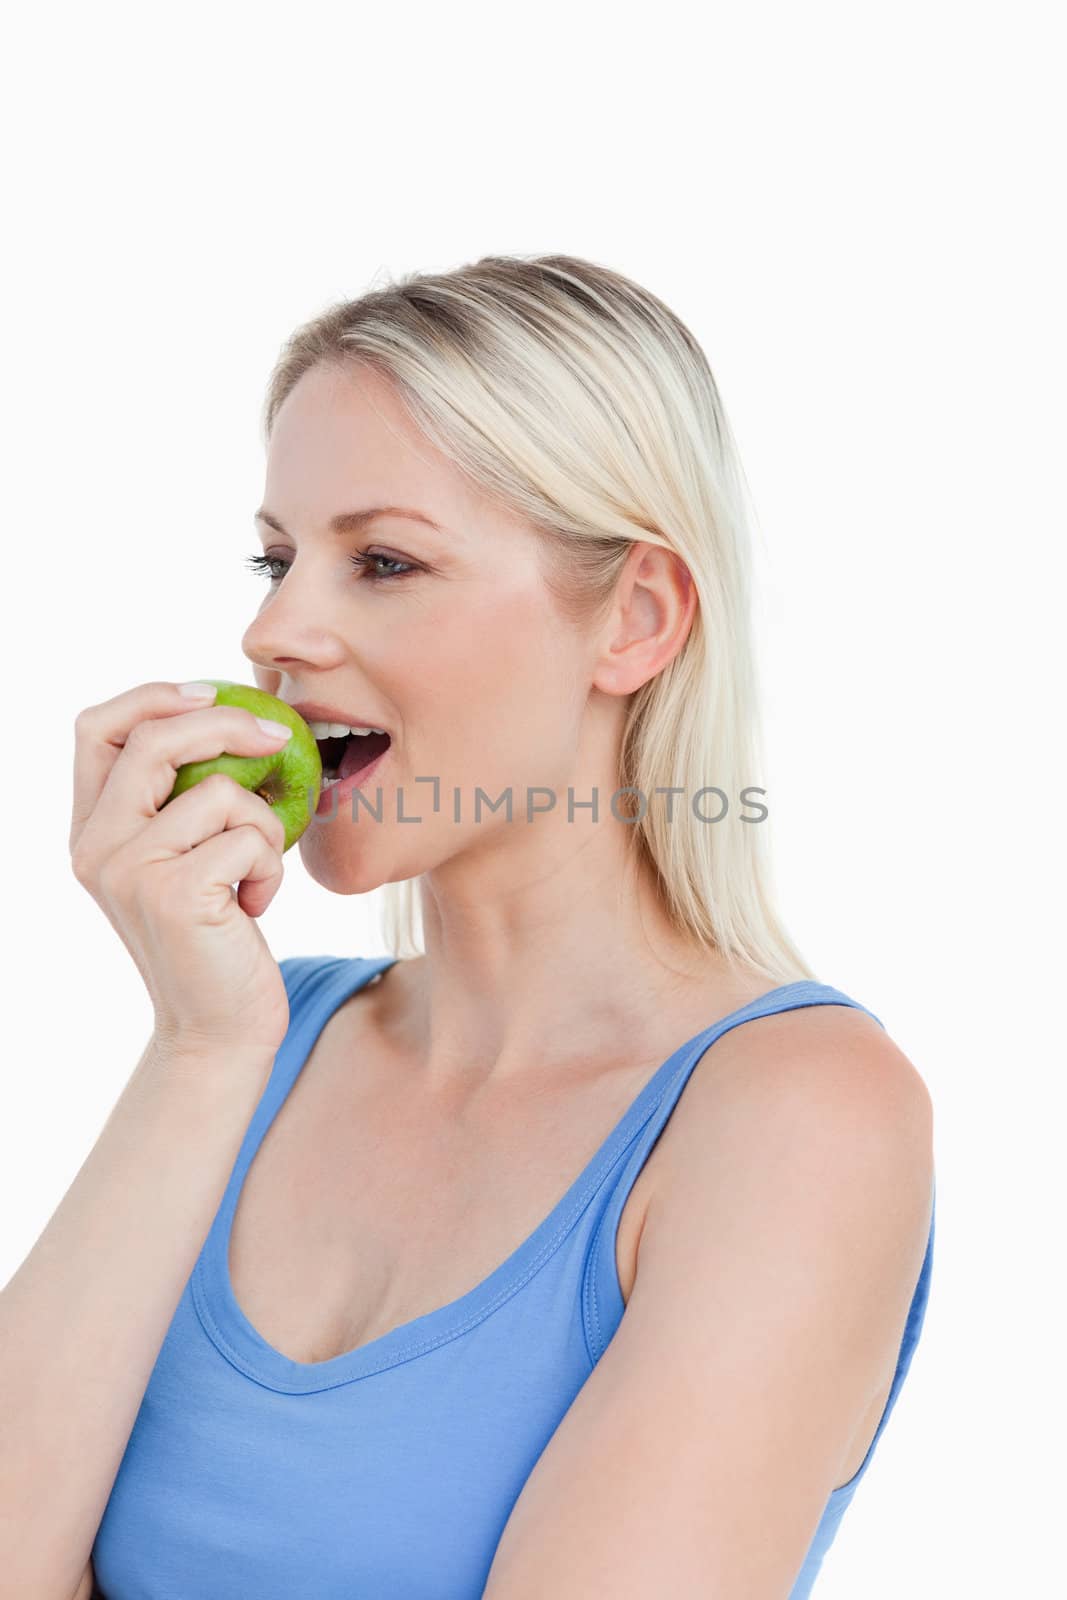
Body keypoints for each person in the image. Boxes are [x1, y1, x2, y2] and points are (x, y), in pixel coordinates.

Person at [2, 253, 935, 1599]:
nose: (274, 630)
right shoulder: (252, 1048)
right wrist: (200, 1049)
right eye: (275, 559)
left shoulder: (798, 1117)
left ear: (635, 618)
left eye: (382, 561)